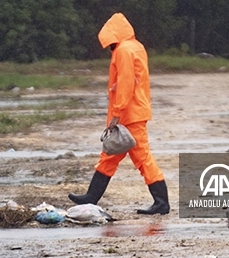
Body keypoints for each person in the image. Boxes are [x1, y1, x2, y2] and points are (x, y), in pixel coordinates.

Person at [69, 12, 170, 215]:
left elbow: (125, 83)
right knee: (109, 156)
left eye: (109, 44)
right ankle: (91, 197)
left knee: (142, 158)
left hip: (129, 115)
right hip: (133, 112)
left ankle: (162, 202)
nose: (109, 48)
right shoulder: (136, 47)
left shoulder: (123, 51)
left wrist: (117, 112)